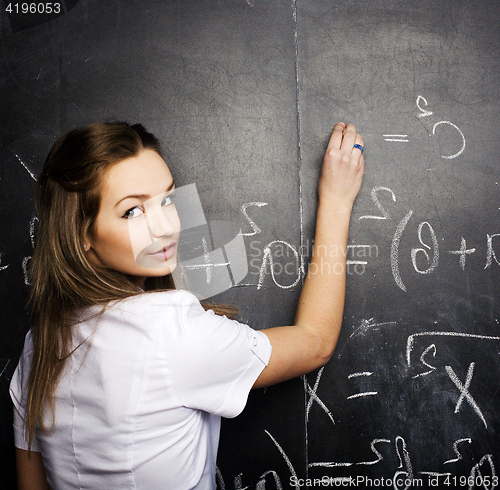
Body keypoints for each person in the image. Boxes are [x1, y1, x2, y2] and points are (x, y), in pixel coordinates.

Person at [10, 121, 364, 489]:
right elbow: (315, 341)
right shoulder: (169, 331)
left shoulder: (38, 345)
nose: (165, 226)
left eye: (167, 199)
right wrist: (337, 203)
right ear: (82, 234)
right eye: (132, 211)